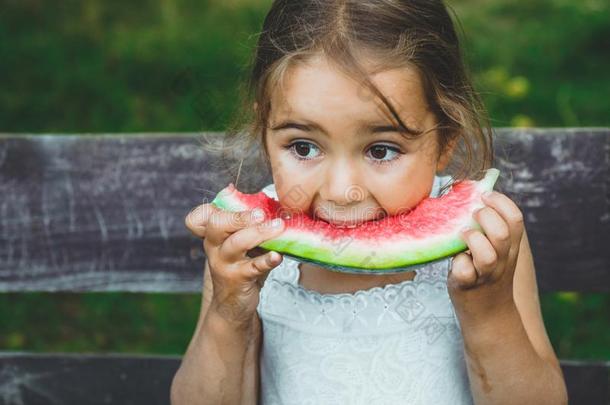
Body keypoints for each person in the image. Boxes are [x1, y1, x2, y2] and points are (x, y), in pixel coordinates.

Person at [172, 1, 568, 404]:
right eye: (304, 147)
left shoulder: (483, 243)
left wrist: (489, 312)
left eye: (380, 151)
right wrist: (228, 315)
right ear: (265, 131)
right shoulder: (247, 246)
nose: (341, 191)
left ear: (445, 140)